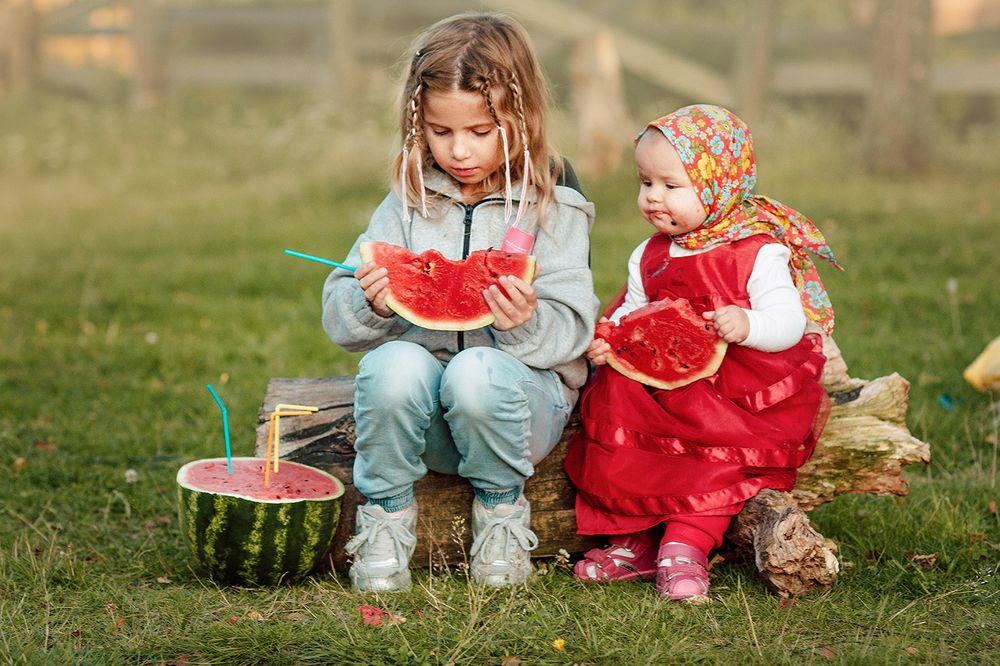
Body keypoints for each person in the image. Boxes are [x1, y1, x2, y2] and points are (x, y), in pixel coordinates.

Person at [322, 13, 597, 592]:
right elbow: (339, 313)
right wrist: (371, 304)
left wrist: (525, 324)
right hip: (423, 421)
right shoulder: (406, 201)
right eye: (441, 133)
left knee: (477, 371)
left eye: (479, 131)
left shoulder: (556, 205)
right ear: (418, 124)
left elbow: (574, 330)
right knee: (389, 364)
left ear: (520, 119)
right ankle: (386, 518)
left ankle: (501, 516)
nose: (459, 151)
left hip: (519, 413)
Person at [564, 104, 841, 602]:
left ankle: (686, 547)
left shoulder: (758, 251)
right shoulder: (648, 253)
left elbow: (789, 321)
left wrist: (748, 324)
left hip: (731, 390)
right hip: (651, 387)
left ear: (720, 185)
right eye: (645, 183)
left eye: (671, 186)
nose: (652, 198)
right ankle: (632, 541)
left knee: (713, 464)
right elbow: (634, 310)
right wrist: (611, 337)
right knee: (620, 448)